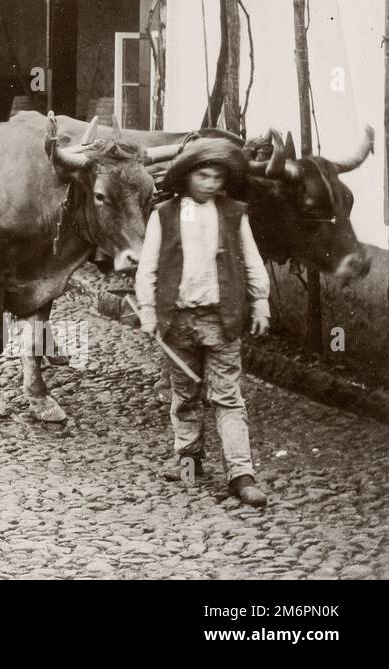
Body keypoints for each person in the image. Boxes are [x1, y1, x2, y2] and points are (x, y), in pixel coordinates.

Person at [134, 138, 271, 507]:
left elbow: (251, 259)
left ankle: (241, 474)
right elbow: (148, 266)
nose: (209, 184)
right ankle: (189, 459)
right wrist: (148, 310)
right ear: (186, 177)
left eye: (216, 178)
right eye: (203, 175)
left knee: (228, 396)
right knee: (185, 393)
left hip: (221, 318)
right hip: (178, 320)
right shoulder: (164, 215)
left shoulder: (234, 213)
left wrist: (260, 303)